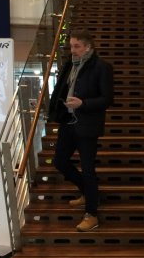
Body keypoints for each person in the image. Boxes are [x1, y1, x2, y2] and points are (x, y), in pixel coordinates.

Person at [48, 29, 114, 231]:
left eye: (77, 46)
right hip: (68, 122)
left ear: (88, 47)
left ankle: (91, 215)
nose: (73, 50)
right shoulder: (70, 65)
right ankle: (88, 192)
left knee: (87, 170)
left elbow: (107, 99)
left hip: (87, 126)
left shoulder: (101, 67)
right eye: (71, 46)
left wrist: (83, 104)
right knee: (59, 161)